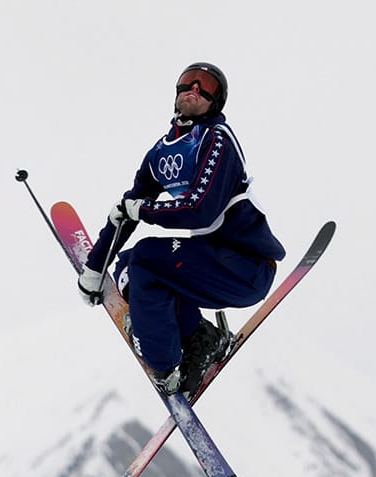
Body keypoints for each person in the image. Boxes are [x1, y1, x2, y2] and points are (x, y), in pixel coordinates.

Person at [79, 62, 287, 395]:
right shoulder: (160, 153)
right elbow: (127, 211)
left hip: (246, 266)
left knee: (147, 258)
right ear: (176, 90)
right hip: (210, 260)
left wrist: (142, 209)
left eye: (206, 86)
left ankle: (162, 364)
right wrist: (94, 267)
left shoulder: (216, 138)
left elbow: (200, 211)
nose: (195, 89)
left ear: (215, 102)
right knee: (131, 264)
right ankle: (197, 338)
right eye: (188, 82)